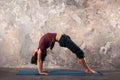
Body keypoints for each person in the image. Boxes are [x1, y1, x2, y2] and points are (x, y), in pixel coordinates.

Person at [31, 33, 96, 75]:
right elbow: (39, 60)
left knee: (79, 52)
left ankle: (86, 69)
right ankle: (87, 69)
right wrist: (40, 71)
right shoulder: (40, 50)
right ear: (37, 54)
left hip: (64, 38)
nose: (33, 52)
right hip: (63, 40)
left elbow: (40, 59)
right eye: (34, 53)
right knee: (80, 53)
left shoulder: (40, 46)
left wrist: (42, 70)